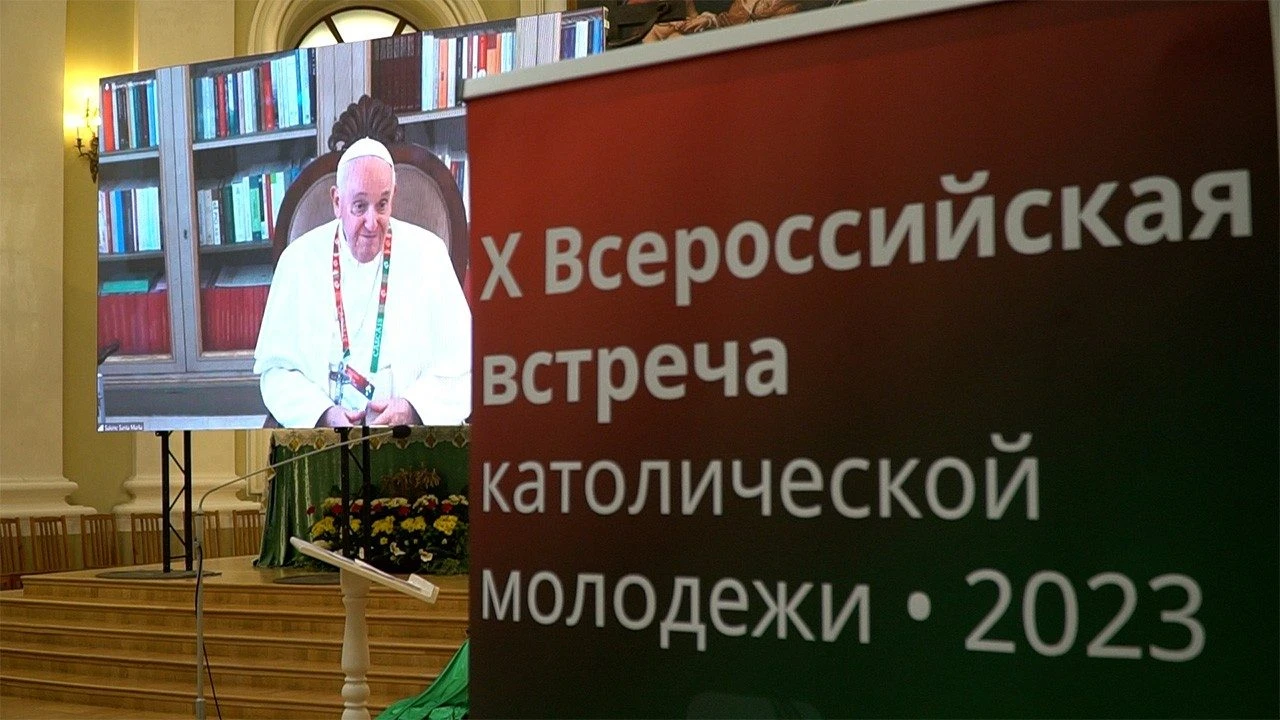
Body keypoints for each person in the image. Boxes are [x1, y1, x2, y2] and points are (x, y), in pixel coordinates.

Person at [254, 137, 471, 428]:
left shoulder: (429, 255)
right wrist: (324, 415)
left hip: (405, 437)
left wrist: (411, 409)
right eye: (359, 206)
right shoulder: (298, 261)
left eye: (382, 204)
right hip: (325, 438)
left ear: (394, 195)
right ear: (336, 201)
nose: (372, 222)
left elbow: (463, 370)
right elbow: (276, 373)